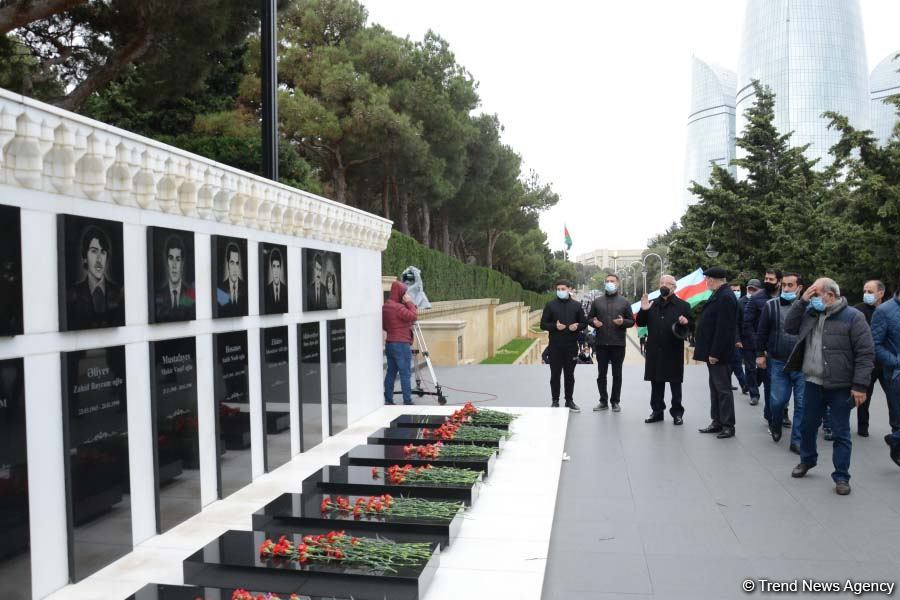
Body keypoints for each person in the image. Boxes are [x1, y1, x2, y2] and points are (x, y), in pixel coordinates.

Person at [784, 278, 874, 496]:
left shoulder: (854, 317)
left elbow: (866, 353)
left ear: (830, 296)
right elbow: (789, 327)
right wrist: (801, 302)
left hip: (840, 386)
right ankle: (807, 460)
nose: (812, 298)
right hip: (813, 382)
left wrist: (860, 385)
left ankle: (842, 476)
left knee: (840, 431)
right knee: (807, 426)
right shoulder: (811, 313)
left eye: (815, 295)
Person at [756, 272, 804, 453]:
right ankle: (775, 424)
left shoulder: (807, 308)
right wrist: (760, 354)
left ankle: (796, 440)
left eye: (790, 285)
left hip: (801, 364)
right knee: (777, 401)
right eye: (784, 285)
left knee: (801, 403)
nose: (786, 288)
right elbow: (762, 332)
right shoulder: (771, 306)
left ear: (799, 288)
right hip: (778, 361)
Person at [635, 274, 692, 425]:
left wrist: (686, 322)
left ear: (674, 287)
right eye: (662, 282)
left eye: (668, 283)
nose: (664, 285)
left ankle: (677, 413)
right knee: (656, 383)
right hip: (655, 350)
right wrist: (644, 310)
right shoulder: (652, 304)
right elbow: (640, 323)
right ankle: (657, 411)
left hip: (673, 350)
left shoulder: (683, 306)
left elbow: (691, 327)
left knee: (675, 384)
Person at [693, 267, 739, 439]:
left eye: (708, 279)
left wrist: (715, 353)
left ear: (713, 279)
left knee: (723, 389)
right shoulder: (719, 294)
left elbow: (724, 329)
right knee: (715, 387)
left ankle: (728, 425)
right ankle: (717, 421)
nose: (707, 282)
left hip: (719, 353)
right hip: (713, 351)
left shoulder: (725, 297)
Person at [587, 273, 634, 412]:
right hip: (601, 344)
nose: (609, 283)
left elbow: (631, 321)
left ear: (617, 283)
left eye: (612, 281)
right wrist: (594, 322)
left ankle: (615, 401)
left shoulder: (624, 302)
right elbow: (589, 319)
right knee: (601, 374)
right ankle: (603, 401)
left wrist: (622, 322)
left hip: (618, 344)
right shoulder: (597, 301)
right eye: (607, 281)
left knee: (617, 374)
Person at [540, 279, 587, 412]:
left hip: (571, 346)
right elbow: (543, 324)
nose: (560, 291)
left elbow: (584, 323)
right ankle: (555, 401)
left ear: (569, 289)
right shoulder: (550, 305)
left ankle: (569, 400)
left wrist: (577, 326)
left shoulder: (577, 306)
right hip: (554, 347)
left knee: (569, 375)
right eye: (558, 289)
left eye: (563, 289)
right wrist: (555, 326)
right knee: (555, 375)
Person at [743, 270, 784, 422]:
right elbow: (747, 324)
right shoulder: (756, 299)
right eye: (765, 278)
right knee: (770, 383)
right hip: (765, 350)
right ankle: (771, 414)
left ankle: (782, 412)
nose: (767, 281)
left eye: (771, 279)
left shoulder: (786, 296)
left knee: (784, 385)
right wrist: (759, 346)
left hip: (785, 348)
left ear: (778, 281)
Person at [66, 225, 124, 329]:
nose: (99, 259)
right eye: (94, 251)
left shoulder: (118, 292)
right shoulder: (73, 295)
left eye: (102, 252)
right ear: (85, 257)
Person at [853, 280, 891, 437]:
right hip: (867, 363)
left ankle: (896, 428)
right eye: (865, 291)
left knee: (894, 396)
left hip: (887, 362)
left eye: (870, 292)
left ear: (881, 293)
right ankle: (863, 427)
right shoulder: (857, 311)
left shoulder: (890, 310)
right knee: (863, 397)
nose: (866, 295)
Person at [871, 289, 900, 467]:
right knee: (897, 415)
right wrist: (896, 362)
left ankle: (896, 438)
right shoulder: (884, 311)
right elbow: (875, 344)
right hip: (896, 374)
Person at [382, 280, 418, 405]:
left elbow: (385, 326)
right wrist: (409, 302)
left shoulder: (385, 307)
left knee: (391, 372)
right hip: (401, 344)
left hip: (390, 342)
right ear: (399, 293)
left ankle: (388, 399)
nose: (405, 295)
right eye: (404, 292)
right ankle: (407, 401)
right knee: (405, 373)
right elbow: (413, 316)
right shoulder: (398, 308)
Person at [154, 234, 194, 322]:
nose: (174, 265)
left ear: (182, 263)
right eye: (171, 258)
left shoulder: (190, 293)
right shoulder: (158, 293)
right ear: (166, 261)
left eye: (178, 259)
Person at [738, 278, 762, 404]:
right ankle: (754, 394)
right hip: (747, 340)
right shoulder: (741, 302)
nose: (752, 291)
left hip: (763, 340)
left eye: (755, 289)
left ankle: (749, 383)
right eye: (750, 288)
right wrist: (737, 339)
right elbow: (737, 322)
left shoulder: (765, 301)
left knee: (762, 369)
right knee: (750, 368)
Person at [216, 242, 247, 317]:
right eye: (232, 263)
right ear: (227, 264)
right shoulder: (220, 288)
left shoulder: (245, 288)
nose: (235, 269)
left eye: (237, 263)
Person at [729, 283, 748, 394]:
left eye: (738, 290)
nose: (736, 292)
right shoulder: (728, 303)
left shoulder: (741, 302)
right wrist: (736, 339)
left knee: (734, 362)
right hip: (732, 338)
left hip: (741, 337)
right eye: (734, 290)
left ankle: (726, 381)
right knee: (736, 361)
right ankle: (744, 384)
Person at [263, 248, 288, 313]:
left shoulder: (285, 289)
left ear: (280, 268)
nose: (276, 271)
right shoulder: (267, 289)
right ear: (271, 269)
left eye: (278, 266)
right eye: (274, 266)